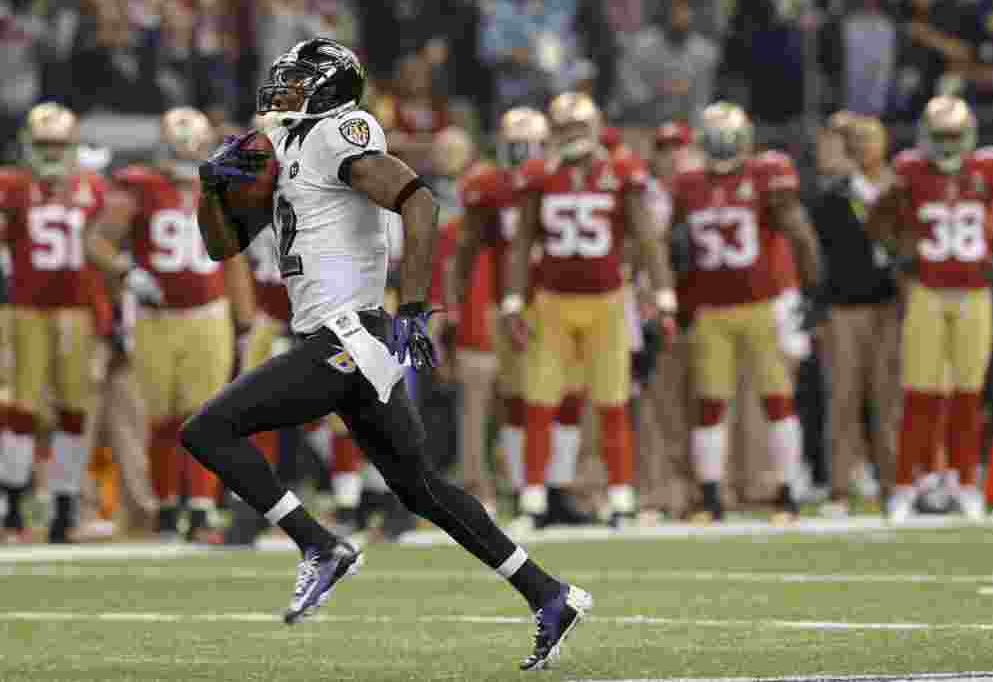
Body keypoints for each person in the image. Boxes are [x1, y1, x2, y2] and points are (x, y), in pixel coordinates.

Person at [185, 38, 590, 670]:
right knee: (421, 487)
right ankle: (548, 594)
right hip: (342, 337)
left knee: (208, 429)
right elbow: (221, 248)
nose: (282, 92)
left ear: (329, 88)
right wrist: (210, 189)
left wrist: (414, 305)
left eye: (298, 82)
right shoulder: (289, 148)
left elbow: (419, 200)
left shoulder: (336, 133)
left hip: (349, 333)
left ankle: (319, 545)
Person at [503, 91, 679, 528]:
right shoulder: (537, 173)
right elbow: (523, 242)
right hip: (552, 301)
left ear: (597, 127)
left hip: (607, 301)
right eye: (565, 129)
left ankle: (621, 499)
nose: (572, 137)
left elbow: (646, 237)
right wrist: (512, 300)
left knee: (613, 402)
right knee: (540, 402)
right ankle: (533, 501)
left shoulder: (621, 170)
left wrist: (664, 295)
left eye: (579, 128)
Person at [86, 107, 257, 543]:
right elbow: (97, 241)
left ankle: (199, 512)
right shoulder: (138, 187)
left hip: (208, 314)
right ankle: (164, 509)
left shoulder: (223, 186)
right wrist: (126, 269)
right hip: (155, 316)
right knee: (161, 420)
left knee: (204, 416)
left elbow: (234, 255)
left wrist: (245, 318)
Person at [866, 95, 993, 522]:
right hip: (928, 291)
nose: (949, 145)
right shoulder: (910, 171)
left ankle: (963, 481)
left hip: (974, 291)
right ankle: (906, 483)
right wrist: (899, 249)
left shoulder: (990, 169)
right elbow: (877, 220)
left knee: (968, 396)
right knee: (920, 393)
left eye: (955, 136)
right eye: (941, 137)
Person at [669, 102, 822, 523]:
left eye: (727, 139)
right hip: (711, 307)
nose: (721, 147)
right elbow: (672, 246)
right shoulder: (688, 184)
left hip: (762, 304)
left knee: (776, 399)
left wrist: (810, 291)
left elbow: (800, 233)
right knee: (710, 403)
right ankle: (712, 497)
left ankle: (788, 494)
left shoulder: (764, 175)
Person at [455, 107, 591, 526]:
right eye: (515, 146)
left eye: (530, 145)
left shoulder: (562, 179)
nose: (522, 155)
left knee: (567, 394)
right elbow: (467, 247)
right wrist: (455, 300)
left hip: (559, 298)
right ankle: (522, 488)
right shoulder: (489, 185)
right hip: (511, 303)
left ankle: (559, 490)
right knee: (517, 397)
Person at [0, 102, 109, 543]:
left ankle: (64, 502)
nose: (50, 154)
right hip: (24, 308)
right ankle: (11, 500)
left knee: (74, 411)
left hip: (75, 310)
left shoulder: (92, 188)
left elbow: (100, 251)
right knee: (19, 407)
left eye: (58, 145)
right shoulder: (11, 184)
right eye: (44, 145)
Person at [814, 115, 901, 517]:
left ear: (883, 144)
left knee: (888, 398)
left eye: (871, 139)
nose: (864, 146)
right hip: (843, 306)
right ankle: (839, 487)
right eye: (857, 140)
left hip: (888, 305)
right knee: (843, 398)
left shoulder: (901, 188)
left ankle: (893, 484)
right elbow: (823, 253)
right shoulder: (833, 194)